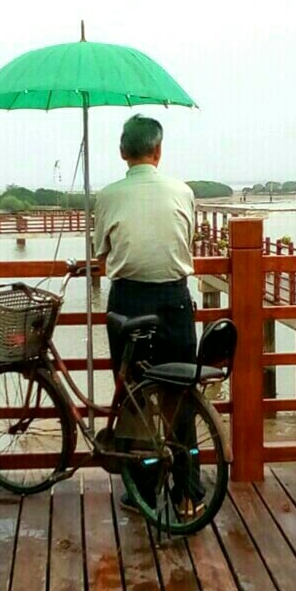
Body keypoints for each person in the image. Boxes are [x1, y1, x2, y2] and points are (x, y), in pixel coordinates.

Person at [94, 114, 200, 513]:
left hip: (128, 303)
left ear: (122, 152)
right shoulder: (183, 192)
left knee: (133, 398)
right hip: (175, 300)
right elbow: (185, 242)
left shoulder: (108, 196)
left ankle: (142, 491)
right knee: (180, 395)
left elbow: (102, 255)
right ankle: (187, 492)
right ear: (158, 151)